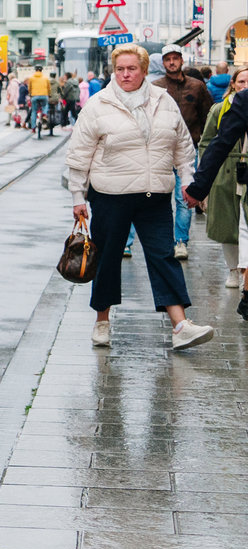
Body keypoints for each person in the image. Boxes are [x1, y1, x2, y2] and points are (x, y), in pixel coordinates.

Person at [66, 44, 213, 352]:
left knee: (163, 255)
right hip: (110, 196)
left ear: (145, 70)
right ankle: (102, 321)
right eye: (120, 69)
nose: (125, 74)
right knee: (107, 259)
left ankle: (181, 325)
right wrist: (78, 195)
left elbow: (182, 147)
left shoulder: (164, 102)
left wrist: (188, 181)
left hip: (155, 195)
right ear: (113, 71)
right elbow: (79, 154)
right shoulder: (98, 104)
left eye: (132, 69)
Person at [155, 43, 214, 259]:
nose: (172, 62)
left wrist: (204, 143)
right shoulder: (156, 87)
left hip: (189, 149)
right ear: (163, 63)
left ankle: (180, 241)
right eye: (168, 59)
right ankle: (157, 240)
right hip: (160, 149)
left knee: (184, 197)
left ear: (181, 60)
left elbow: (208, 115)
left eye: (175, 58)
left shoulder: (197, 86)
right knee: (155, 195)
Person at [199, 65, 248, 292]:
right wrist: (206, 177)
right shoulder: (220, 109)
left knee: (243, 224)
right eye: (241, 82)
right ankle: (232, 270)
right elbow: (208, 142)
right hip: (226, 174)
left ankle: (244, 270)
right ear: (233, 84)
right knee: (228, 225)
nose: (245, 87)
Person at [26, 64, 52, 130]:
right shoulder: (46, 78)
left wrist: (30, 94)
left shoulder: (31, 78)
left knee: (34, 111)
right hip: (44, 95)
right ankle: (44, 115)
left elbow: (29, 88)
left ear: (35, 70)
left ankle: (33, 128)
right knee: (45, 105)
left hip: (34, 96)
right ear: (41, 70)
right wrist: (49, 94)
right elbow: (49, 88)